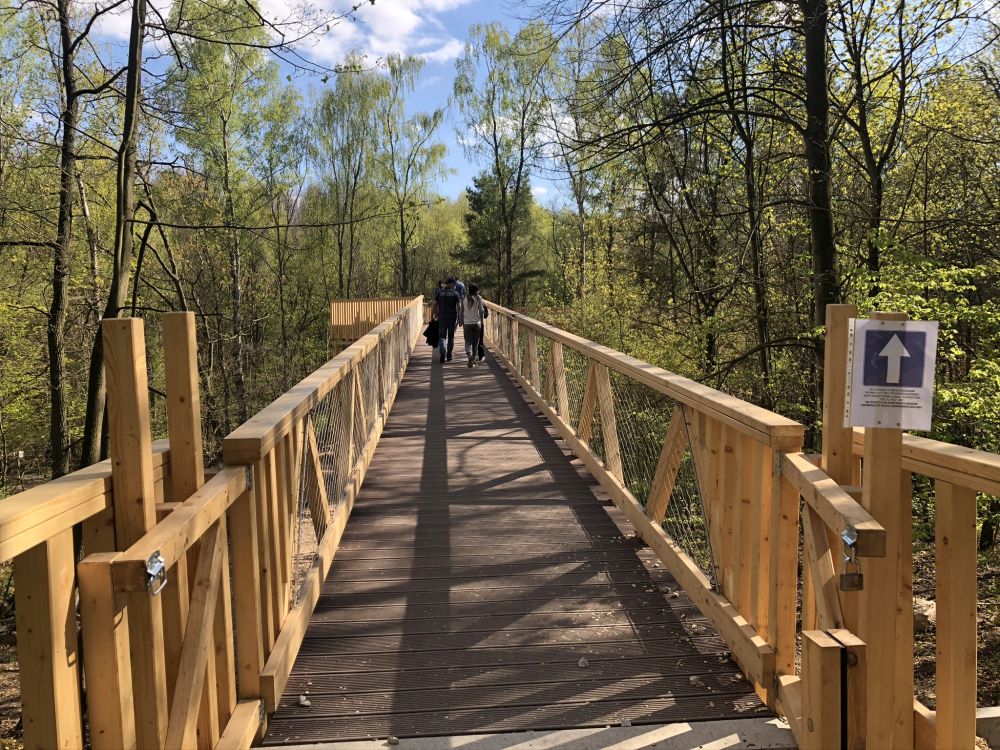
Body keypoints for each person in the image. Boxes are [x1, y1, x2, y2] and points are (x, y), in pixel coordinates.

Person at [431, 278, 461, 363]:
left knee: (442, 336)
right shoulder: (455, 293)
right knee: (451, 337)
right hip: (452, 318)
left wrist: (432, 315)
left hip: (442, 318)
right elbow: (459, 306)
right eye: (454, 284)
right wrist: (460, 318)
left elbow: (434, 304)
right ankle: (449, 356)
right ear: (451, 284)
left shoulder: (439, 293)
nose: (455, 286)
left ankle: (442, 352)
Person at [460, 284, 486, 367]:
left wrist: (460, 321)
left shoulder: (464, 298)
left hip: (467, 323)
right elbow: (481, 311)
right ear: (476, 291)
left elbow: (461, 311)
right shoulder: (479, 298)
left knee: (468, 341)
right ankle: (473, 359)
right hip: (477, 323)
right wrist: (481, 321)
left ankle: (469, 355)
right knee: (475, 342)